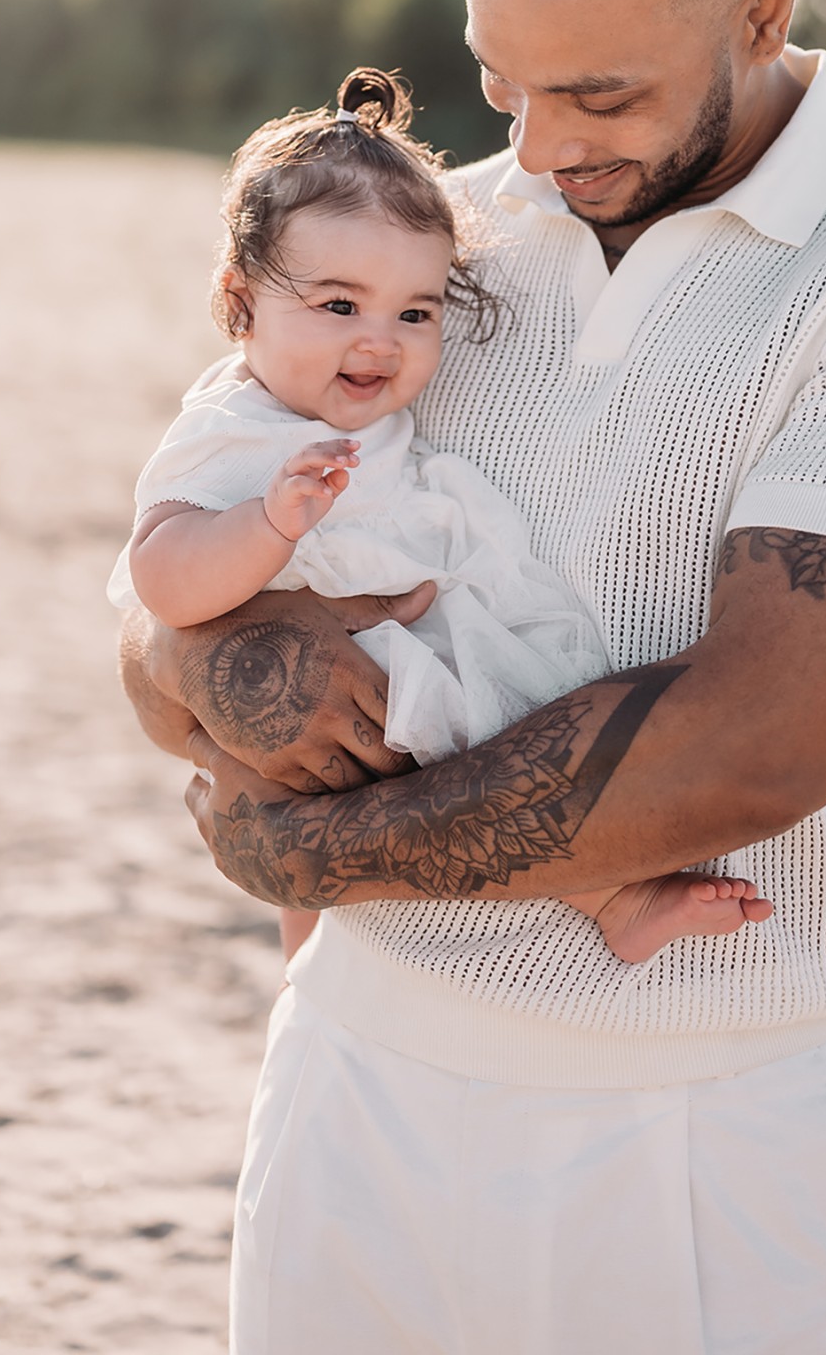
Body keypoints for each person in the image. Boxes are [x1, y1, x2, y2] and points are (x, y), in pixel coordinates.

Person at [120, 0, 826, 1355]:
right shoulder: (422, 248)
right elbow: (153, 625)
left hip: (698, 1133)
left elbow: (752, 743)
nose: (542, 150)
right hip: (354, 1087)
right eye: (504, 84)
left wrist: (303, 849)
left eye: (604, 95)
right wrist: (219, 667)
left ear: (762, 13)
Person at [108, 66, 773, 968]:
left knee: (501, 752)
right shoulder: (231, 432)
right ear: (238, 301)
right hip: (359, 677)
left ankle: (345, 953)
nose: (380, 340)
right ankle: (612, 895)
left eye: (415, 312)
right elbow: (160, 578)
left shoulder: (360, 396)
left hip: (412, 642)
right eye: (339, 306)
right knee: (453, 752)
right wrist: (267, 526)